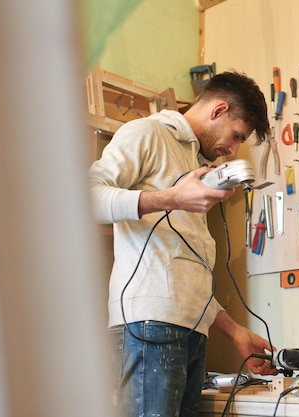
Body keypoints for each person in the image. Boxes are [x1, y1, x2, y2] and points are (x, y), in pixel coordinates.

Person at [88, 71, 279, 417]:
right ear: (218, 110)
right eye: (236, 137)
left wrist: (234, 331)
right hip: (148, 327)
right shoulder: (146, 133)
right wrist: (173, 197)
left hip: (190, 331)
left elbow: (183, 271)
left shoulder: (197, 164)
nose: (233, 150)